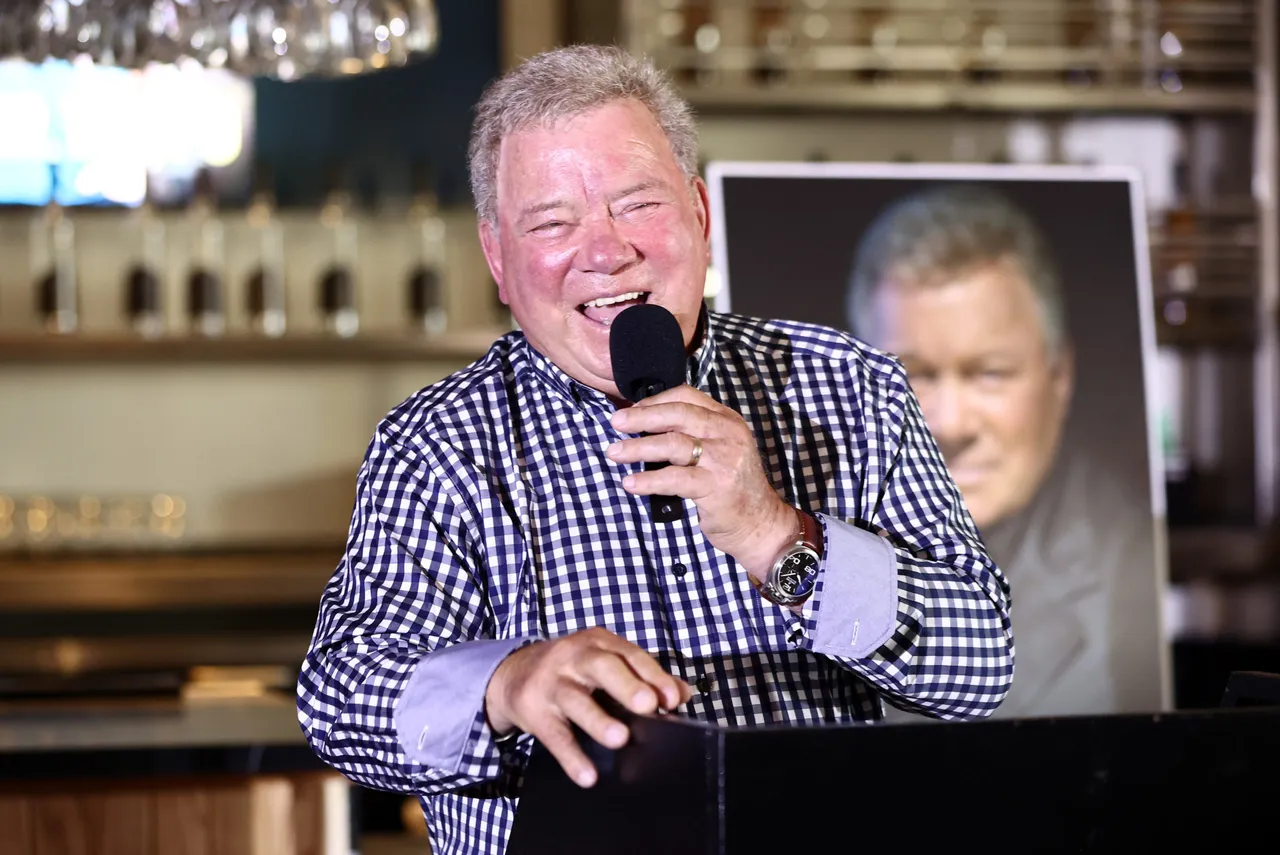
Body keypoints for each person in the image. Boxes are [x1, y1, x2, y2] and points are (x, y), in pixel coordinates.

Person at [297, 46, 1015, 855]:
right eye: (552, 221)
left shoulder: (850, 388)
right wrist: (507, 682)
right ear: (498, 257)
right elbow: (338, 703)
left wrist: (779, 536)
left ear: (700, 219)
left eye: (636, 204)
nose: (605, 251)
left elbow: (980, 666)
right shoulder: (438, 445)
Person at [846, 184, 1163, 719]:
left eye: (990, 373)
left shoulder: (1131, 573)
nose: (949, 423)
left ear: (1059, 377)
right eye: (911, 375)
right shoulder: (795, 543)